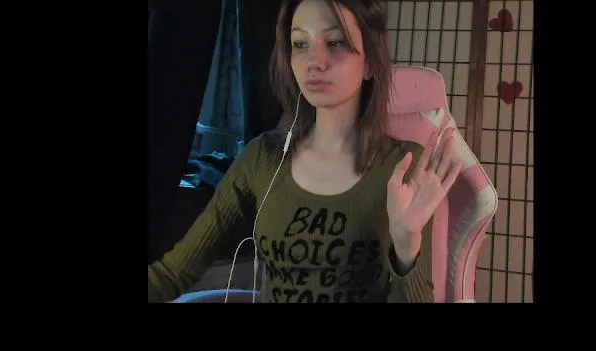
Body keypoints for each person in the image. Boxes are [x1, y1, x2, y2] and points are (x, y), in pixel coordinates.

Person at [147, 0, 462, 303]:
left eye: (335, 42)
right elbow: (173, 273)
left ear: (369, 62)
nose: (315, 61)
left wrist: (406, 246)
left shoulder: (404, 166)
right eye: (300, 44)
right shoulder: (261, 159)